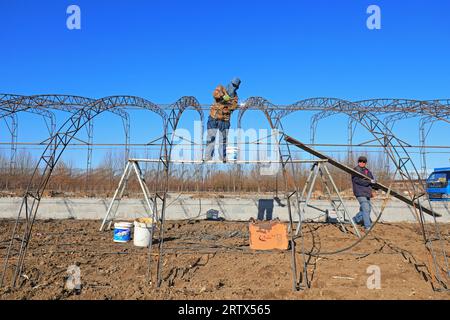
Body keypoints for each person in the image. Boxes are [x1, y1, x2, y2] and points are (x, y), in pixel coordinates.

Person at [205, 77, 241, 162]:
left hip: (225, 120)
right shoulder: (221, 88)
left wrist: (228, 102)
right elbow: (215, 94)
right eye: (233, 85)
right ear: (230, 83)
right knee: (211, 138)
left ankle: (223, 157)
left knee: (223, 140)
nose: (234, 87)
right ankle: (208, 157)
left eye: (235, 86)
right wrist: (223, 96)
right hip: (214, 117)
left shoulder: (235, 97)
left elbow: (234, 106)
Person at [351, 156, 376, 232]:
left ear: (365, 163)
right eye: (360, 161)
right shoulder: (355, 170)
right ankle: (367, 226)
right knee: (366, 208)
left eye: (363, 162)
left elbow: (371, 180)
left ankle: (354, 220)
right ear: (358, 162)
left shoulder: (368, 171)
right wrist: (369, 182)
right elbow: (358, 181)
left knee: (367, 209)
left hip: (367, 193)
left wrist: (375, 186)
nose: (361, 163)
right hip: (359, 192)